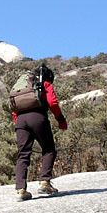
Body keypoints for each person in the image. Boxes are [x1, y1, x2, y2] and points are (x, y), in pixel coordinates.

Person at [11, 63, 67, 201]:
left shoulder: (23, 86)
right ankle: (44, 182)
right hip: (38, 117)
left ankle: (20, 190)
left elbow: (14, 107)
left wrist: (18, 123)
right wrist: (61, 121)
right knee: (49, 150)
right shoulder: (44, 83)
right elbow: (53, 103)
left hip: (20, 120)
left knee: (23, 154)